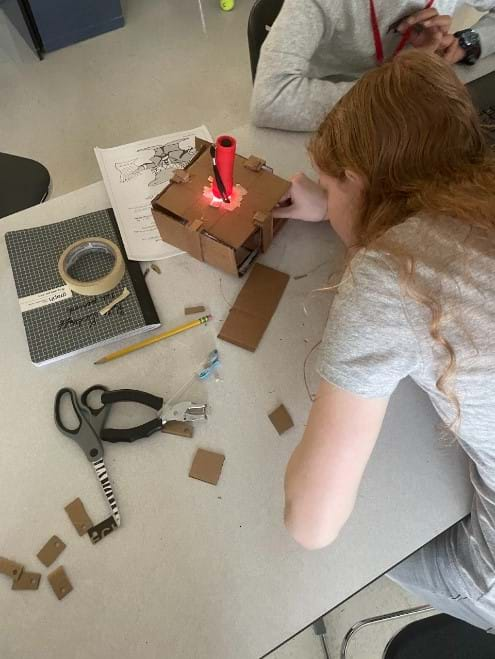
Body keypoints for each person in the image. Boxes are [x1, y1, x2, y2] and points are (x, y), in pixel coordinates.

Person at [280, 50, 495, 631]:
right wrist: (344, 206)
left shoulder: (389, 279)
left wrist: (365, 230)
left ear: (361, 181)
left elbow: (312, 524)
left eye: (333, 184)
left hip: (491, 573)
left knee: (358, 547)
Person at [251, 0, 495, 131]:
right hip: (332, 106)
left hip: (402, 102)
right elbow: (270, 100)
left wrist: (468, 42)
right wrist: (395, 86)